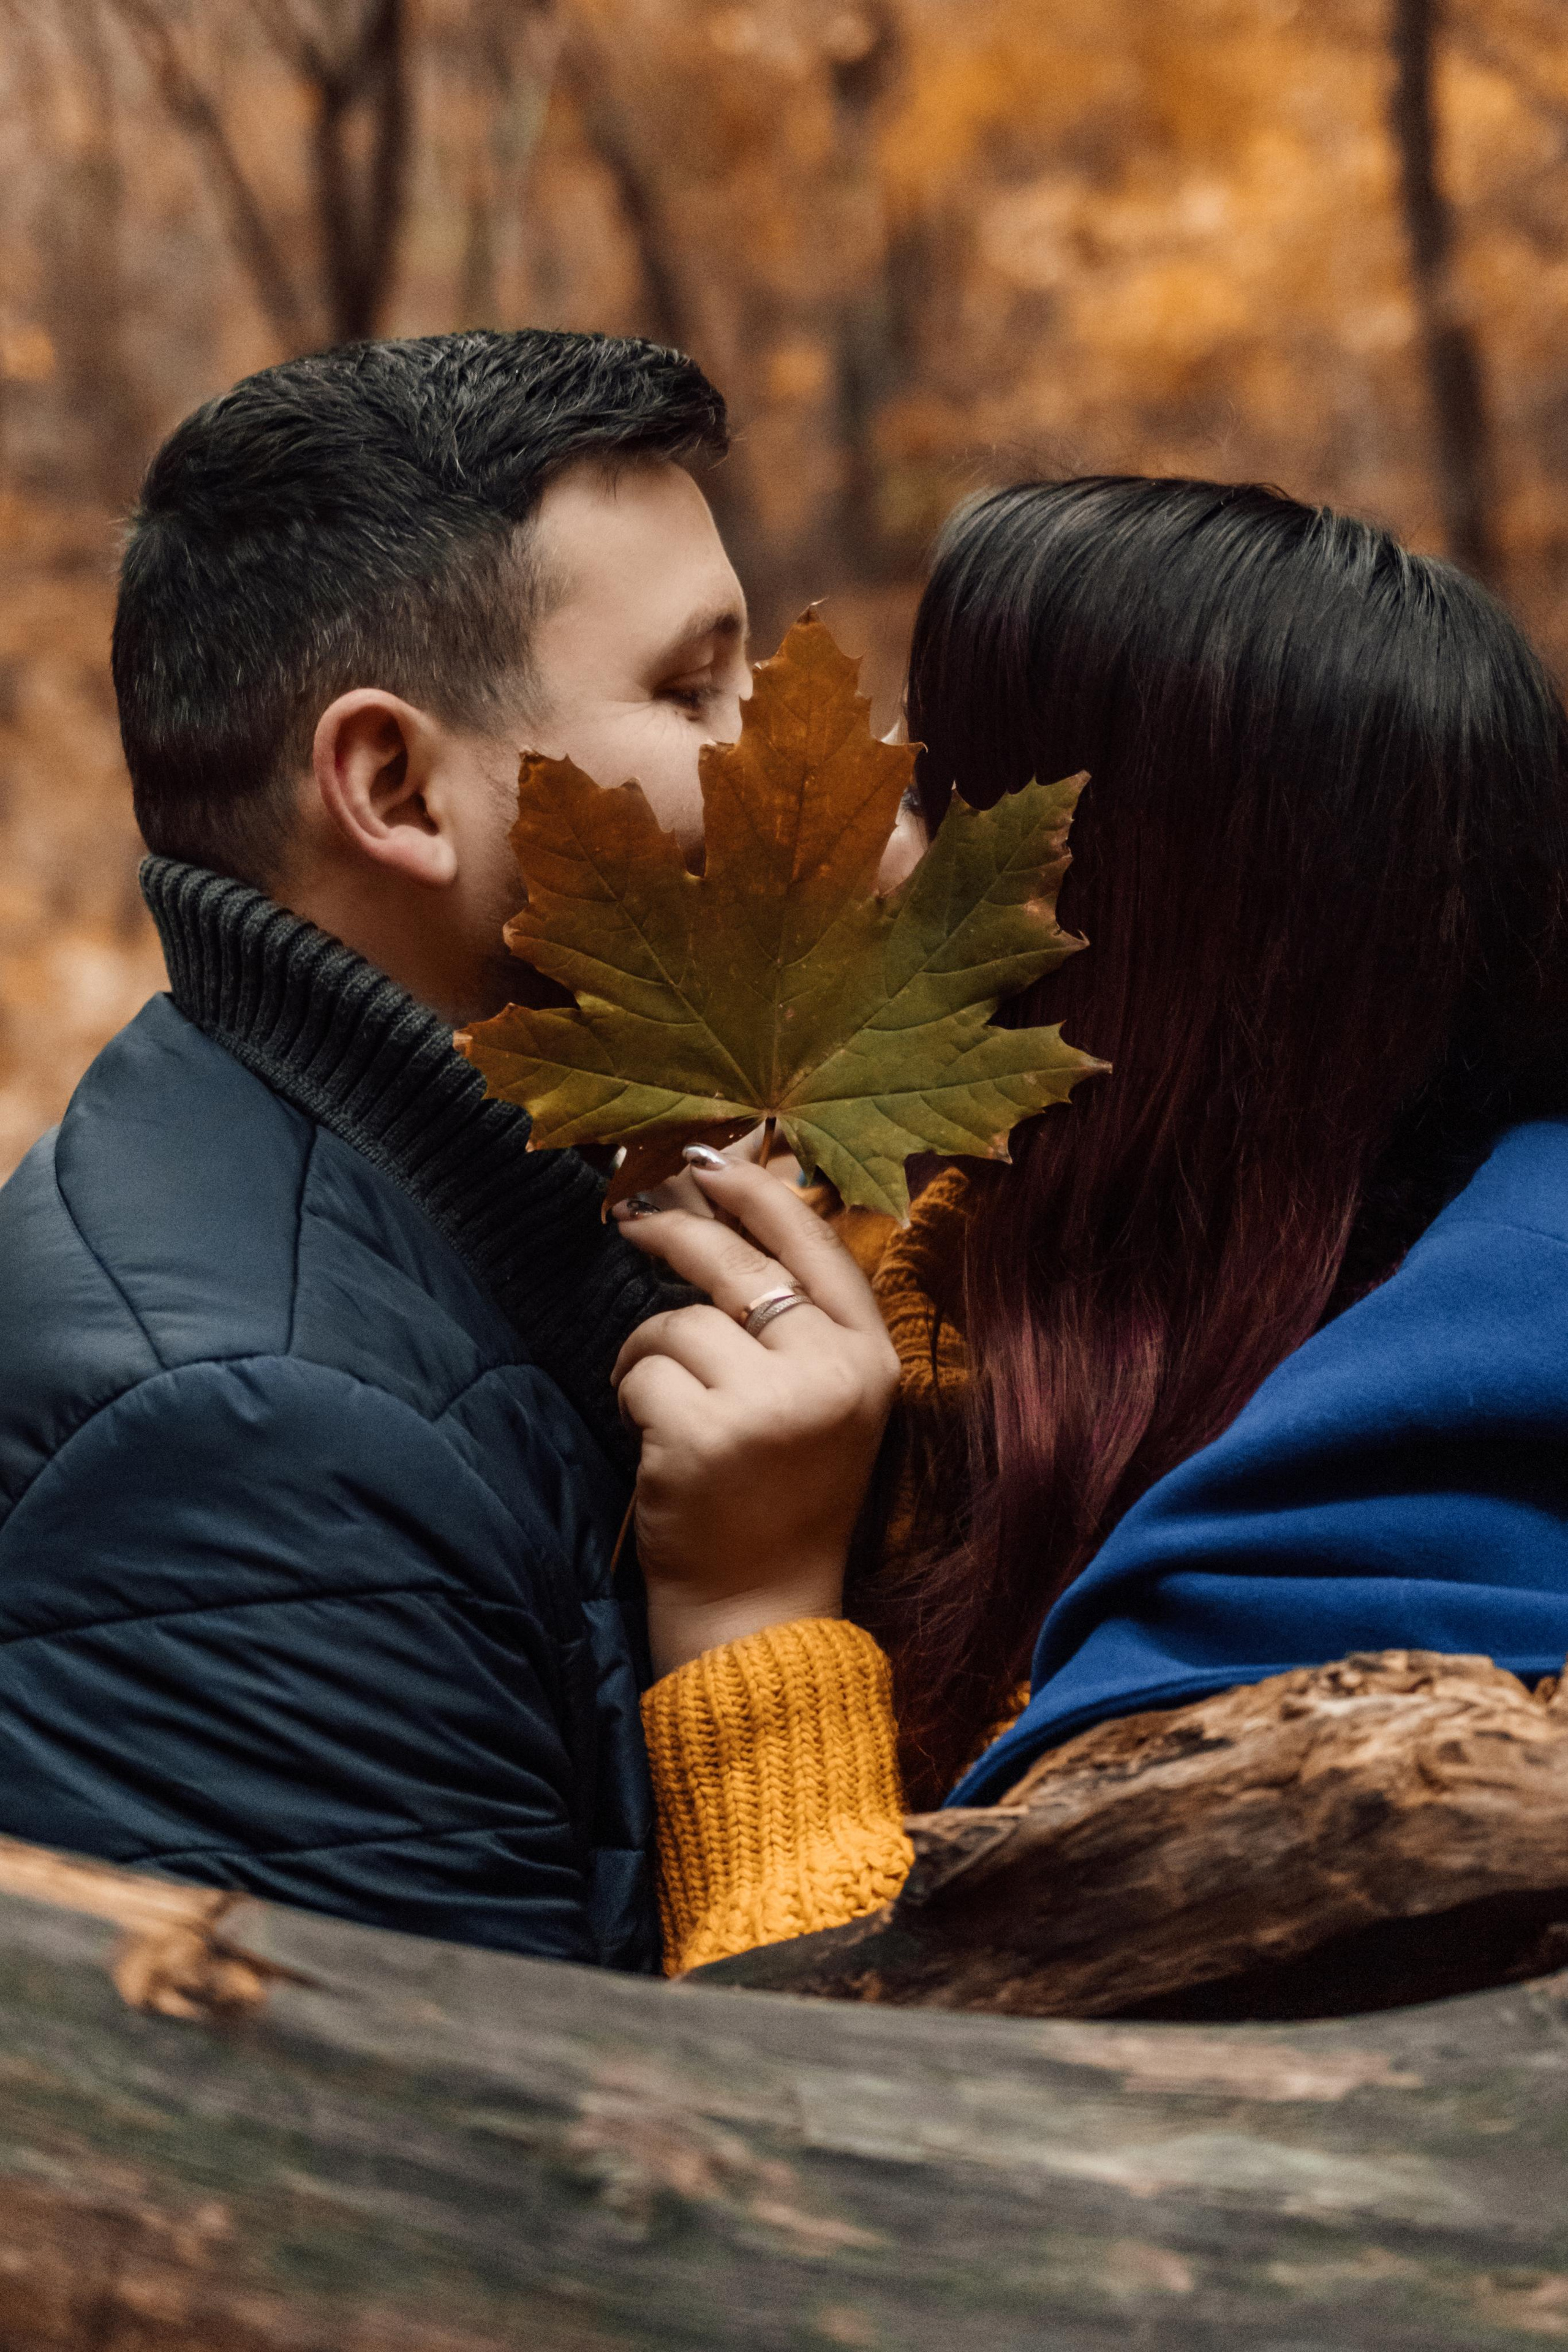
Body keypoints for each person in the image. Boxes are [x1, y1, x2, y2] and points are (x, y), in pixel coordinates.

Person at [609, 477, 1568, 1972]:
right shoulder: (946, 1269)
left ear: (1144, 941)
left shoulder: (1407, 1514)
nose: (859, 845)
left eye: (925, 800)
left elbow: (919, 2087)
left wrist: (752, 1609)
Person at [0, 327, 763, 1968]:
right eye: (690, 692)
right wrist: (755, 1630)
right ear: (398, 787)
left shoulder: (519, 1205)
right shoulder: (243, 1447)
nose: (776, 761)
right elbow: (474, 2126)